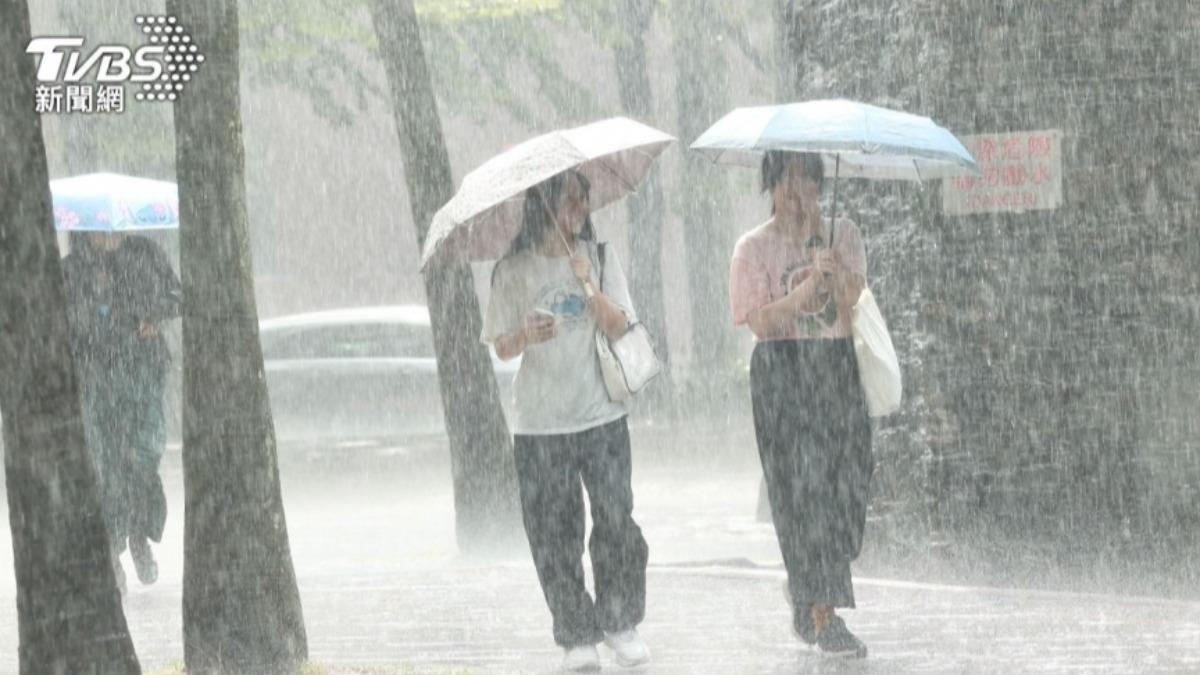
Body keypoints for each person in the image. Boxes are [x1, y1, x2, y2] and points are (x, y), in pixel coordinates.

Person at [481, 170, 651, 671]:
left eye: (583, 199)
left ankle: (620, 622)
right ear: (543, 205)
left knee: (616, 518)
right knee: (555, 533)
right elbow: (503, 347)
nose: (578, 209)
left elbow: (622, 324)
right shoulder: (512, 270)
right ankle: (576, 633)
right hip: (540, 425)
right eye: (568, 199)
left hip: (601, 415)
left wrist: (591, 286)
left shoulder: (599, 255)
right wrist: (526, 335)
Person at [728, 151, 874, 658]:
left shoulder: (842, 233)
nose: (798, 193)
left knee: (849, 482)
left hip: (835, 368)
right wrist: (806, 290)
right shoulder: (752, 248)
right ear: (771, 186)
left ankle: (806, 581)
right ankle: (824, 613)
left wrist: (835, 274)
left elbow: (857, 298)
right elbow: (760, 323)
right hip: (783, 373)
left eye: (808, 182)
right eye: (787, 183)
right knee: (803, 494)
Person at [62, 231, 181, 594]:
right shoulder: (71, 269)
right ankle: (111, 550)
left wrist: (154, 316)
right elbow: (64, 320)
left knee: (144, 455)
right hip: (96, 377)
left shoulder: (146, 253)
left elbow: (176, 296)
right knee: (106, 466)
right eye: (99, 229)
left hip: (143, 369)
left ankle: (138, 530)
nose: (108, 234)